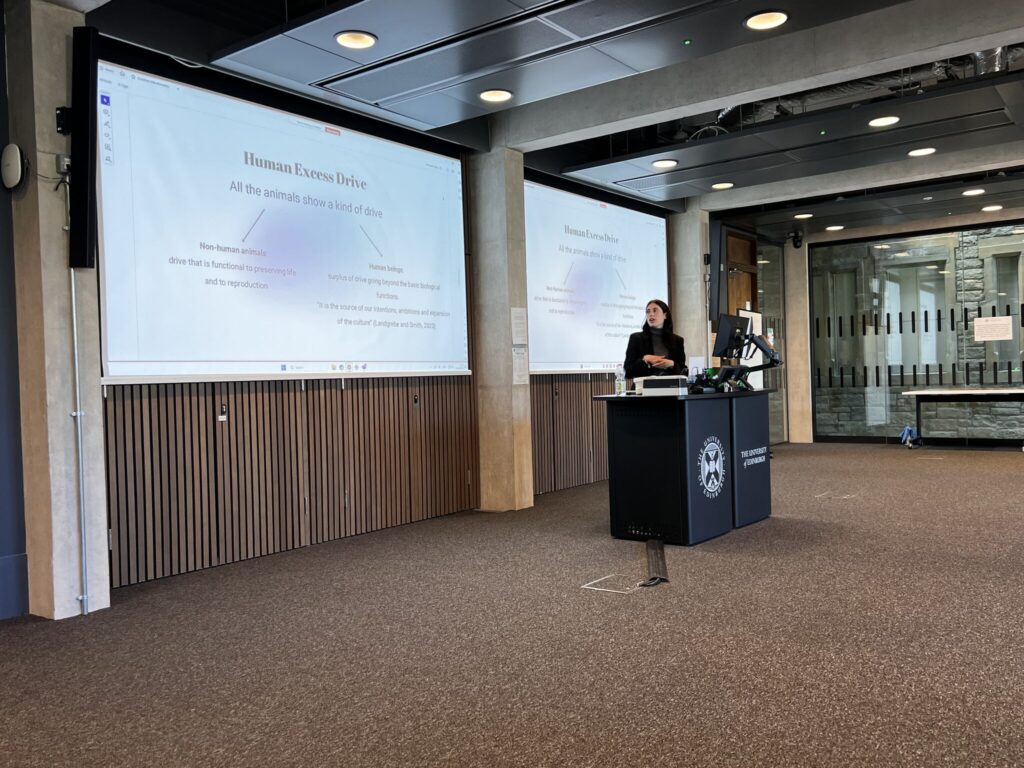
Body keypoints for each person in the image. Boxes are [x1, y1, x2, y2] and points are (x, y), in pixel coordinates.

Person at [623, 299, 687, 379]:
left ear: (665, 315)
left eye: (655, 310)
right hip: (644, 388)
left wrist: (672, 364)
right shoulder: (636, 338)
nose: (651, 314)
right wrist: (645, 359)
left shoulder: (677, 340)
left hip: (670, 388)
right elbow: (628, 370)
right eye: (648, 311)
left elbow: (684, 372)